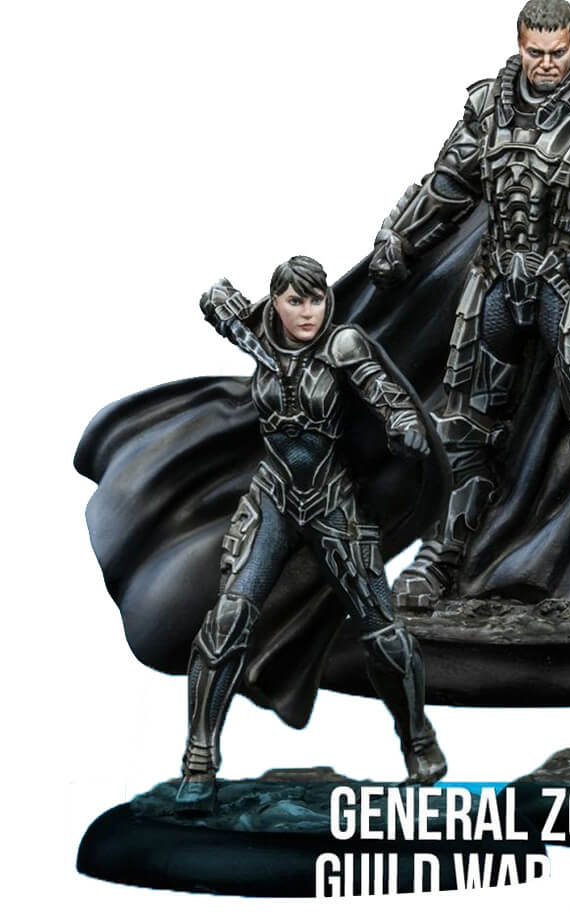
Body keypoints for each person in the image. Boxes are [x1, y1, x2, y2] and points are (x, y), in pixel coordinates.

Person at [369, 0, 570, 623]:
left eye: (557, 52)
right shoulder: (489, 107)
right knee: (462, 425)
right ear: (520, 46)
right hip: (495, 279)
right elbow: (449, 183)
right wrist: (399, 236)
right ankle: (443, 551)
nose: (545, 64)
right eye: (535, 52)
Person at [176, 256, 447, 811]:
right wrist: (224, 305)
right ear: (275, 303)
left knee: (384, 633)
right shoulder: (259, 335)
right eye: (295, 300)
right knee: (225, 623)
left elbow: (385, 393)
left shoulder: (342, 344)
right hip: (272, 498)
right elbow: (214, 298)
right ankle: (198, 761)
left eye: (316, 299)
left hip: (331, 501)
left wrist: (403, 424)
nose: (307, 312)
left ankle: (420, 744)